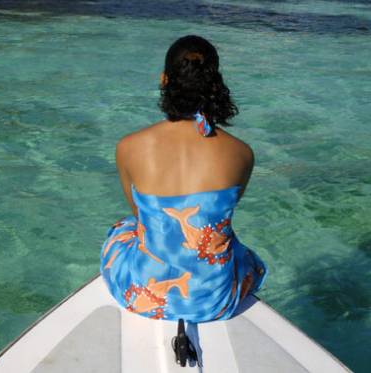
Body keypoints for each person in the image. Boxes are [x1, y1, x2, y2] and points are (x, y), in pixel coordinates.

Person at [100, 35, 267, 322]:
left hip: (144, 294)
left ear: (164, 79)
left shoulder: (128, 147)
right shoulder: (242, 153)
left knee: (123, 228)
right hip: (215, 299)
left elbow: (140, 218)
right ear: (215, 84)